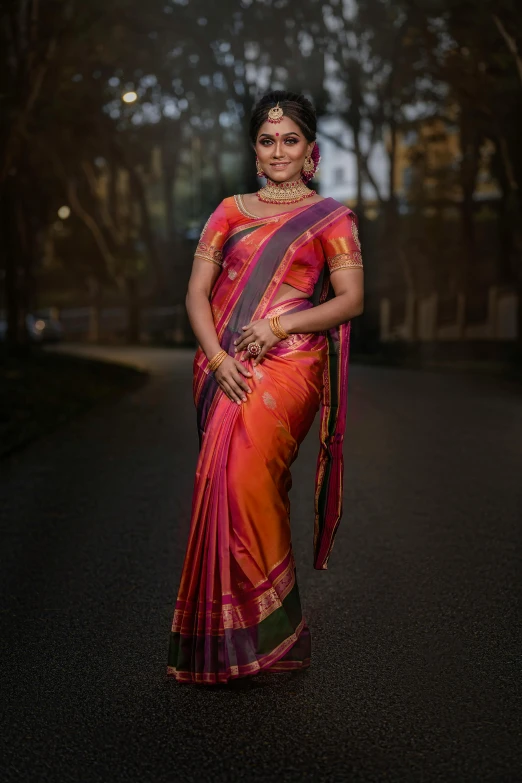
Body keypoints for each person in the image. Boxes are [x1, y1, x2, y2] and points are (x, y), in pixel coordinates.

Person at [167, 90, 364, 685]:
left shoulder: (331, 218)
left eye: (291, 140)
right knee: (223, 483)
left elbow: (351, 300)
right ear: (255, 150)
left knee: (249, 479)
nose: (279, 150)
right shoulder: (229, 210)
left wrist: (278, 323)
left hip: (291, 365)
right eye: (267, 140)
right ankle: (244, 632)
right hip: (225, 366)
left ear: (312, 151)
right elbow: (197, 294)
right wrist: (217, 355)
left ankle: (276, 627)